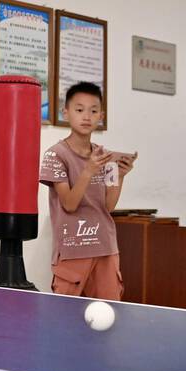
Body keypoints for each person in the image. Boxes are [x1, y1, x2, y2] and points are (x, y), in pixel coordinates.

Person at [38, 81, 136, 300]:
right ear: (66, 113)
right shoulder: (55, 155)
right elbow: (70, 204)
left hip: (105, 247)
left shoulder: (106, 156)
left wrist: (120, 176)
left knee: (108, 314)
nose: (86, 116)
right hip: (73, 248)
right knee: (64, 318)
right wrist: (89, 170)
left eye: (93, 111)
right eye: (79, 109)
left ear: (101, 116)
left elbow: (108, 206)